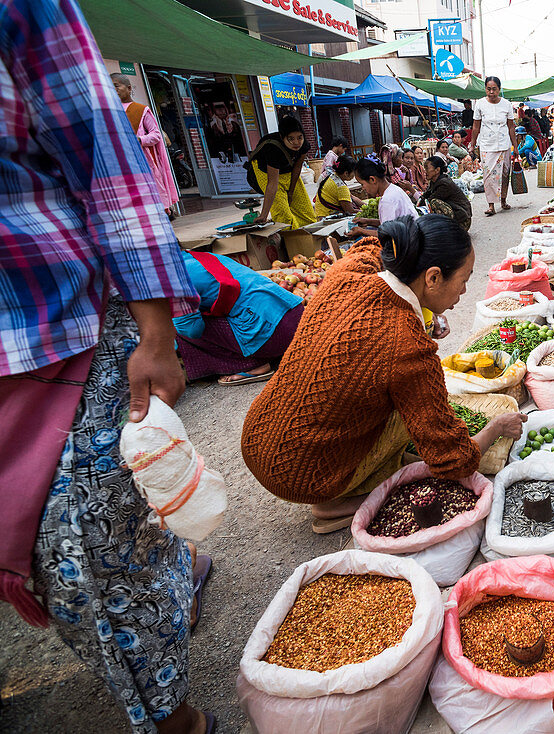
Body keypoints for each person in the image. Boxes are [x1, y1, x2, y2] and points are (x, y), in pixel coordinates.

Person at [0, 1, 214, 731]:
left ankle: (171, 712)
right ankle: (176, 575)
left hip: (59, 327)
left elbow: (103, 159)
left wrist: (156, 335)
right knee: (85, 547)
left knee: (92, 558)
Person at [241, 216, 527, 532]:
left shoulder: (347, 274)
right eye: (464, 279)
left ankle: (357, 476)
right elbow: (453, 460)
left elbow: (370, 246)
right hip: (304, 476)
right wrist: (497, 426)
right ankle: (333, 501)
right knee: (414, 409)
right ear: (432, 277)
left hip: (258, 437)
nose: (463, 292)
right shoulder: (406, 344)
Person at [174, 251, 304, 384]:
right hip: (297, 316)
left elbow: (191, 330)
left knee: (179, 325)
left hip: (275, 335)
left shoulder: (172, 277)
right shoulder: (197, 256)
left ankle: (252, 365)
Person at [111, 73, 179, 214]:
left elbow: (156, 134)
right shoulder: (109, 112)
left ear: (129, 88)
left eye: (116, 86)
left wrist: (140, 140)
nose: (113, 90)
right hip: (121, 162)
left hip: (144, 161)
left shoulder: (140, 110)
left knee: (153, 196)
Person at [246, 115, 317, 228]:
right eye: (291, 139)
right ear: (282, 137)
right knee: (283, 216)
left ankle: (310, 239)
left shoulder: (304, 146)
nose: (296, 142)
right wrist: (264, 215)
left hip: (288, 171)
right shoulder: (273, 149)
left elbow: (297, 168)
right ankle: (292, 241)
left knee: (306, 212)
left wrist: (291, 192)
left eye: (299, 137)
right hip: (265, 172)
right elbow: (272, 184)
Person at [470, 76, 517, 217]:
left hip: (504, 145)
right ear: (485, 89)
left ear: (499, 89)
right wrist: (472, 144)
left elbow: (511, 127)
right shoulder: (479, 104)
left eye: (494, 89)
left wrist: (516, 146)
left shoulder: (507, 105)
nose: (491, 92)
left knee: (504, 174)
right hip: (486, 145)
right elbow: (475, 127)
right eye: (488, 89)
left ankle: (503, 201)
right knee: (489, 176)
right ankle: (491, 205)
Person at [349, 158, 417, 239]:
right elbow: (391, 223)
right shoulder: (394, 189)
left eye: (362, 184)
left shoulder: (387, 200)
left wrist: (362, 231)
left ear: (372, 179)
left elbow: (387, 234)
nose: (363, 188)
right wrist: (367, 221)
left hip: (410, 242)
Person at [421, 155, 473, 231]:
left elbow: (428, 201)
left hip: (463, 222)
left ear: (437, 170)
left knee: (434, 202)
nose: (425, 172)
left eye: (427, 168)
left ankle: (448, 230)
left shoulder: (444, 184)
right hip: (458, 216)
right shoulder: (434, 181)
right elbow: (425, 196)